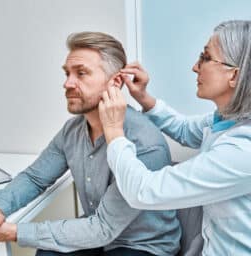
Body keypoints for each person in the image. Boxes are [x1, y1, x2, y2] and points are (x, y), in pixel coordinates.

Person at [0, 32, 181, 256]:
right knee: (47, 254)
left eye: (81, 73)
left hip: (142, 245)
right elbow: (35, 178)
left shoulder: (145, 143)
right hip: (98, 235)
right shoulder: (72, 131)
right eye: (67, 73)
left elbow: (104, 228)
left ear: (115, 82)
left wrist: (15, 232)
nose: (67, 83)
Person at [98, 20, 251, 255]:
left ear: (234, 75)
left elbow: (144, 192)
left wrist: (114, 132)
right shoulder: (227, 119)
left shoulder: (241, 151)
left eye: (206, 57)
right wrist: (143, 97)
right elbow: (184, 130)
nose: (195, 67)